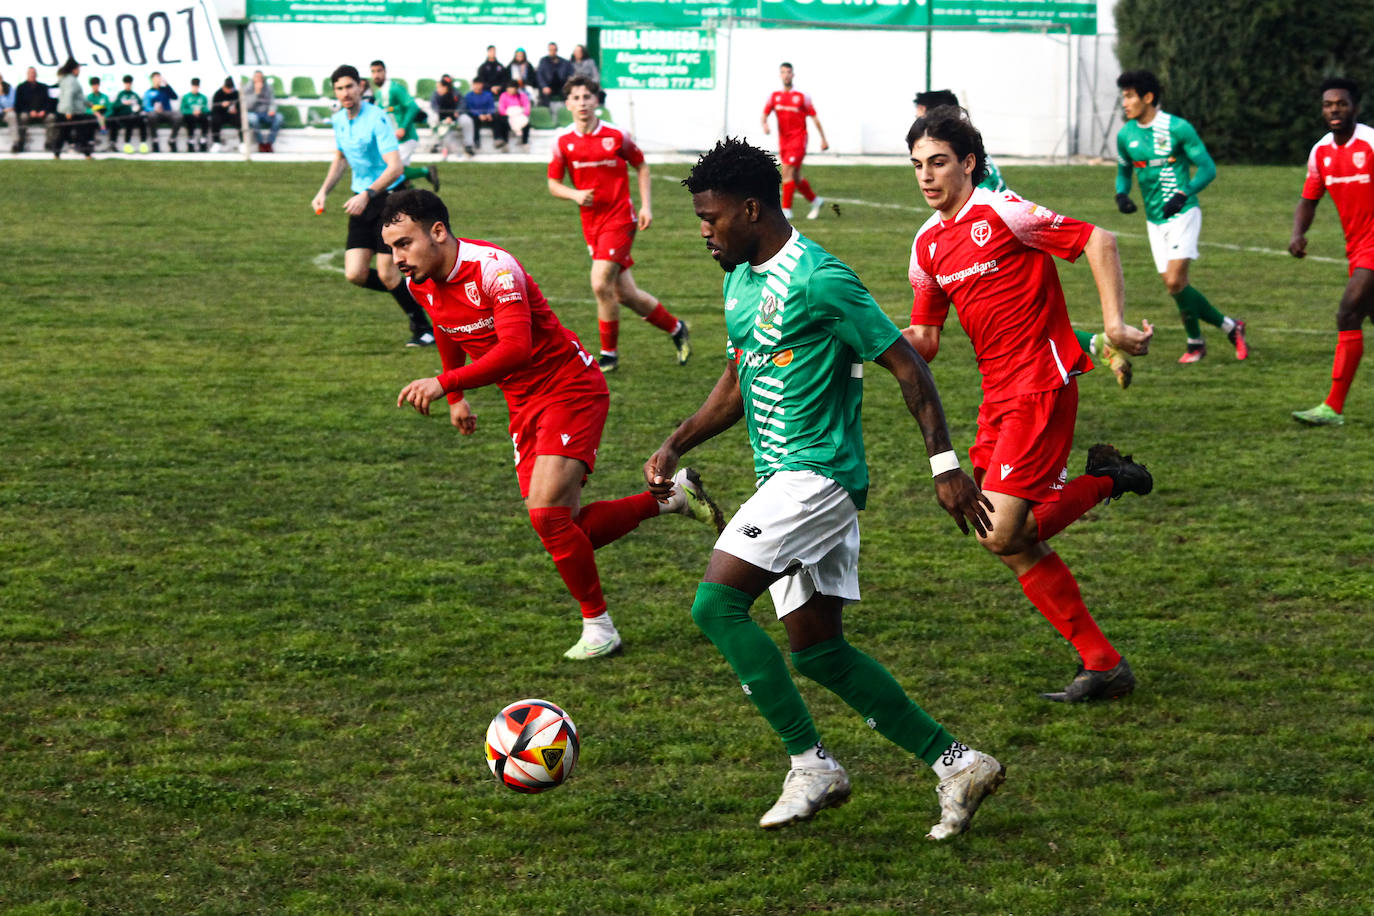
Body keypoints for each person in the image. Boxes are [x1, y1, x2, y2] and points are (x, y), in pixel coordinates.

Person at [646, 136, 1004, 836]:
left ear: (751, 209)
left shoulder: (819, 278)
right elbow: (738, 382)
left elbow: (910, 369)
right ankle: (957, 763)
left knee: (714, 607)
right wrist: (677, 439)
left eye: (712, 219)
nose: (704, 232)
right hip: (783, 481)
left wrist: (945, 467)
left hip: (815, 480)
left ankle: (810, 764)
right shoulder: (740, 279)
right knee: (818, 650)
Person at [385, 189, 723, 660]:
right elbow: (446, 326)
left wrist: (445, 382)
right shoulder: (421, 280)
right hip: (523, 403)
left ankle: (599, 627)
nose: (397, 258)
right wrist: (457, 397)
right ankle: (670, 500)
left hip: (570, 388)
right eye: (391, 247)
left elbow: (515, 349)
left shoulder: (493, 269)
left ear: (437, 232)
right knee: (561, 525)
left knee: (547, 514)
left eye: (404, 243)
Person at [904, 106, 1155, 702]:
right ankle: (1103, 664)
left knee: (1002, 529)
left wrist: (1114, 323)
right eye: (917, 166)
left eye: (938, 162)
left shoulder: (1003, 211)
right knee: (1004, 537)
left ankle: (1105, 480)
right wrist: (855, 348)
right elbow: (925, 341)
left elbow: (1098, 238)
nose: (926, 176)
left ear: (968, 163)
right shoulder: (926, 246)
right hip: (998, 395)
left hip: (1042, 381)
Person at [547, 76, 691, 373]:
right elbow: (553, 183)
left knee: (600, 283)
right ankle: (677, 328)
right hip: (592, 225)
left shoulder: (616, 135)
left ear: (596, 101)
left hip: (620, 218)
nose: (583, 102)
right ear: (568, 104)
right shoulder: (562, 142)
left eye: (588, 96)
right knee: (625, 293)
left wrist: (646, 205)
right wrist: (574, 194)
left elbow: (641, 165)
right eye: (576, 97)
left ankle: (608, 355)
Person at [1115, 69, 1247, 364]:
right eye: (1123, 97)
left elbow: (1208, 168)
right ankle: (1225, 329)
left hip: (1183, 213)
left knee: (1175, 281)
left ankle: (1196, 341)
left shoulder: (1178, 128)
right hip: (1154, 220)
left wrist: (1183, 194)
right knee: (1176, 287)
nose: (1124, 103)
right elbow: (1123, 172)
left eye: (1129, 96)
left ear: (1147, 97)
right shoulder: (1126, 135)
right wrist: (1122, 194)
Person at [311, 64, 436, 349]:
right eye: (340, 88)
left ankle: (423, 328)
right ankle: (419, 295)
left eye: (349, 87)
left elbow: (395, 167)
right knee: (354, 273)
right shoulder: (339, 120)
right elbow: (341, 159)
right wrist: (323, 191)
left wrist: (368, 193)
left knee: (388, 271)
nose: (345, 93)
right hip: (362, 199)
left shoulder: (377, 117)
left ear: (361, 87)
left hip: (390, 198)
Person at [1290, 78, 1374, 427]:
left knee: (1347, 314)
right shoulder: (1321, 152)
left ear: (1355, 107)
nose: (1334, 110)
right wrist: (1298, 234)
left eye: (1341, 103)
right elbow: (1309, 198)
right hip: (1356, 247)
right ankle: (1333, 408)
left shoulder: (1370, 143)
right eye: (1328, 104)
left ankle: (1332, 406)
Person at [762, 62, 829, 220]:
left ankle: (786, 210)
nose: (786, 75)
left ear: (793, 75)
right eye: (783, 72)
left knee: (786, 171)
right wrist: (765, 124)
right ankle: (816, 201)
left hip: (799, 139)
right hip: (784, 141)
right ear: (780, 75)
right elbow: (764, 114)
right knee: (796, 176)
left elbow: (814, 118)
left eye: (789, 72)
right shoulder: (775, 97)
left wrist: (823, 139)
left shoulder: (801, 96)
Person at [369, 60, 439, 189]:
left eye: (379, 71)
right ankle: (412, 200)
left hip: (405, 138)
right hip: (393, 140)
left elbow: (413, 106)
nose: (376, 75)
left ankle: (426, 171)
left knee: (395, 171)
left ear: (385, 71)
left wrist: (403, 127)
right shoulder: (378, 92)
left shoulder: (394, 88)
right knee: (400, 176)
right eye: (373, 72)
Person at [52, 59, 94, 159]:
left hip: (69, 111)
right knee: (81, 133)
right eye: (78, 69)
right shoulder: (71, 80)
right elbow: (68, 96)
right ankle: (87, 154)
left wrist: (89, 104)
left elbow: (78, 96)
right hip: (72, 112)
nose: (79, 71)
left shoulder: (67, 79)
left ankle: (56, 154)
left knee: (63, 134)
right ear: (74, 70)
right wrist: (69, 111)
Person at [429, 74, 474, 159]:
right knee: (434, 119)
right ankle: (436, 144)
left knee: (467, 120)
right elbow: (434, 106)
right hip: (442, 116)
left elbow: (462, 104)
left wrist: (457, 113)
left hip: (455, 116)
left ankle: (468, 146)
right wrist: (445, 117)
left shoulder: (456, 92)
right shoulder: (437, 93)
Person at [12, 67, 53, 153]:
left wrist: (44, 111)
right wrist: (29, 111)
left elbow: (48, 102)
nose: (32, 75)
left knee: (51, 117)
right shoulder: (21, 87)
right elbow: (18, 104)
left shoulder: (43, 87)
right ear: (27, 74)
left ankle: (49, 143)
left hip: (42, 113)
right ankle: (21, 143)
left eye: (34, 73)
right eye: (30, 73)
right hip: (28, 113)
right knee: (23, 117)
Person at [463, 78, 506, 151]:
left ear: (482, 85)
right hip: (476, 116)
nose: (477, 86)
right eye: (475, 84)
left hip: (487, 115)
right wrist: (479, 115)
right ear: (472, 85)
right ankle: (476, 142)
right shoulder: (468, 96)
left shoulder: (488, 94)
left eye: (479, 84)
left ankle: (498, 139)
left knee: (497, 117)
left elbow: (491, 106)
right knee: (473, 120)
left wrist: (489, 113)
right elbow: (469, 109)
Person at [244, 70, 282, 153]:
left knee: (279, 118)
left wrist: (272, 110)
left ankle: (269, 143)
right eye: (256, 77)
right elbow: (248, 106)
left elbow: (272, 101)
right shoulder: (247, 88)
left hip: (266, 113)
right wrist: (256, 93)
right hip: (253, 112)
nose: (258, 79)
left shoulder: (268, 88)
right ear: (253, 78)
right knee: (253, 119)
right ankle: (260, 143)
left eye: (260, 78)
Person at [143, 71, 180, 153]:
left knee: (178, 115)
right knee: (151, 115)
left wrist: (167, 85)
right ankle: (155, 140)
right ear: (152, 79)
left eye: (159, 77)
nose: (158, 80)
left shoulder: (165, 90)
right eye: (156, 78)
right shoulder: (148, 92)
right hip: (155, 114)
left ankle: (172, 139)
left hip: (167, 113)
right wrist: (154, 109)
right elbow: (146, 107)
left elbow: (175, 97)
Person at [109, 75, 148, 154]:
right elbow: (114, 107)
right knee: (129, 120)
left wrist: (138, 108)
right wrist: (124, 104)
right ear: (124, 84)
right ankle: (127, 143)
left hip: (135, 115)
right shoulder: (121, 94)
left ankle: (143, 143)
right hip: (124, 116)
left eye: (129, 83)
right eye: (126, 83)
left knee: (143, 120)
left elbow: (141, 106)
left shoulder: (135, 95)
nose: (128, 84)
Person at [536, 42, 573, 110]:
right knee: (544, 97)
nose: (552, 51)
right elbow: (539, 75)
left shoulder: (564, 62)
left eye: (554, 50)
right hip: (547, 85)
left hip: (561, 85)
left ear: (556, 50)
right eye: (550, 50)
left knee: (568, 93)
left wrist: (567, 85)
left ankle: (567, 112)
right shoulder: (543, 61)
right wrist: (544, 86)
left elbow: (570, 74)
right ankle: (546, 114)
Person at [180, 77, 210, 152]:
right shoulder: (186, 97)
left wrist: (201, 110)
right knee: (190, 118)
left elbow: (206, 109)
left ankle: (203, 139)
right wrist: (192, 112)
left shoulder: (203, 97)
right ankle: (191, 140)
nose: (195, 88)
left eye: (197, 86)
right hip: (190, 116)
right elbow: (183, 109)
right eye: (194, 86)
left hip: (200, 115)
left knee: (205, 118)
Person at [499, 80, 532, 149]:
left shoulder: (522, 96)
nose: (510, 90)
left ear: (516, 88)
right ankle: (505, 142)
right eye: (508, 88)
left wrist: (521, 114)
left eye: (512, 88)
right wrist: (510, 114)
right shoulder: (503, 95)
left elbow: (527, 108)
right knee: (503, 121)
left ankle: (524, 142)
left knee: (526, 123)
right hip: (508, 115)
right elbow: (501, 109)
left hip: (519, 115)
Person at [210, 77, 240, 152]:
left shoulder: (236, 93)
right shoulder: (218, 93)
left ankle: (242, 143)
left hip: (232, 115)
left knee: (240, 120)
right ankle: (216, 142)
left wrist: (236, 109)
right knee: (215, 120)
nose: (229, 91)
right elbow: (214, 108)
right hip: (220, 114)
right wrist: (221, 106)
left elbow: (240, 106)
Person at [85, 75, 111, 152]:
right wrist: (94, 113)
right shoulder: (88, 97)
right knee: (89, 122)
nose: (95, 87)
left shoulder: (104, 97)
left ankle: (111, 144)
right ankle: (90, 143)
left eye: (96, 85)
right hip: (93, 119)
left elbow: (109, 109)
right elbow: (86, 109)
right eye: (93, 85)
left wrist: (104, 116)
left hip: (105, 118)